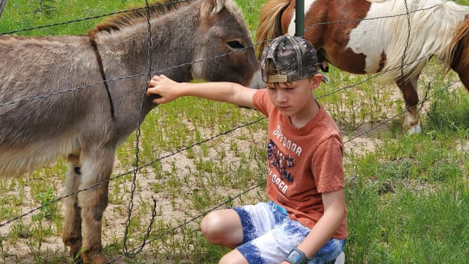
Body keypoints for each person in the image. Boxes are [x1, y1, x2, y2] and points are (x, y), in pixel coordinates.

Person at [146, 35, 347, 264]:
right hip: (279, 211)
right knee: (212, 226)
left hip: (313, 228)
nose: (280, 98)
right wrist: (180, 89)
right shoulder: (277, 105)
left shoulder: (324, 140)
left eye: (289, 88)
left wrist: (295, 259)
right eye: (272, 88)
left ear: (315, 82)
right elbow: (234, 92)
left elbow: (334, 212)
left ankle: (324, 258)